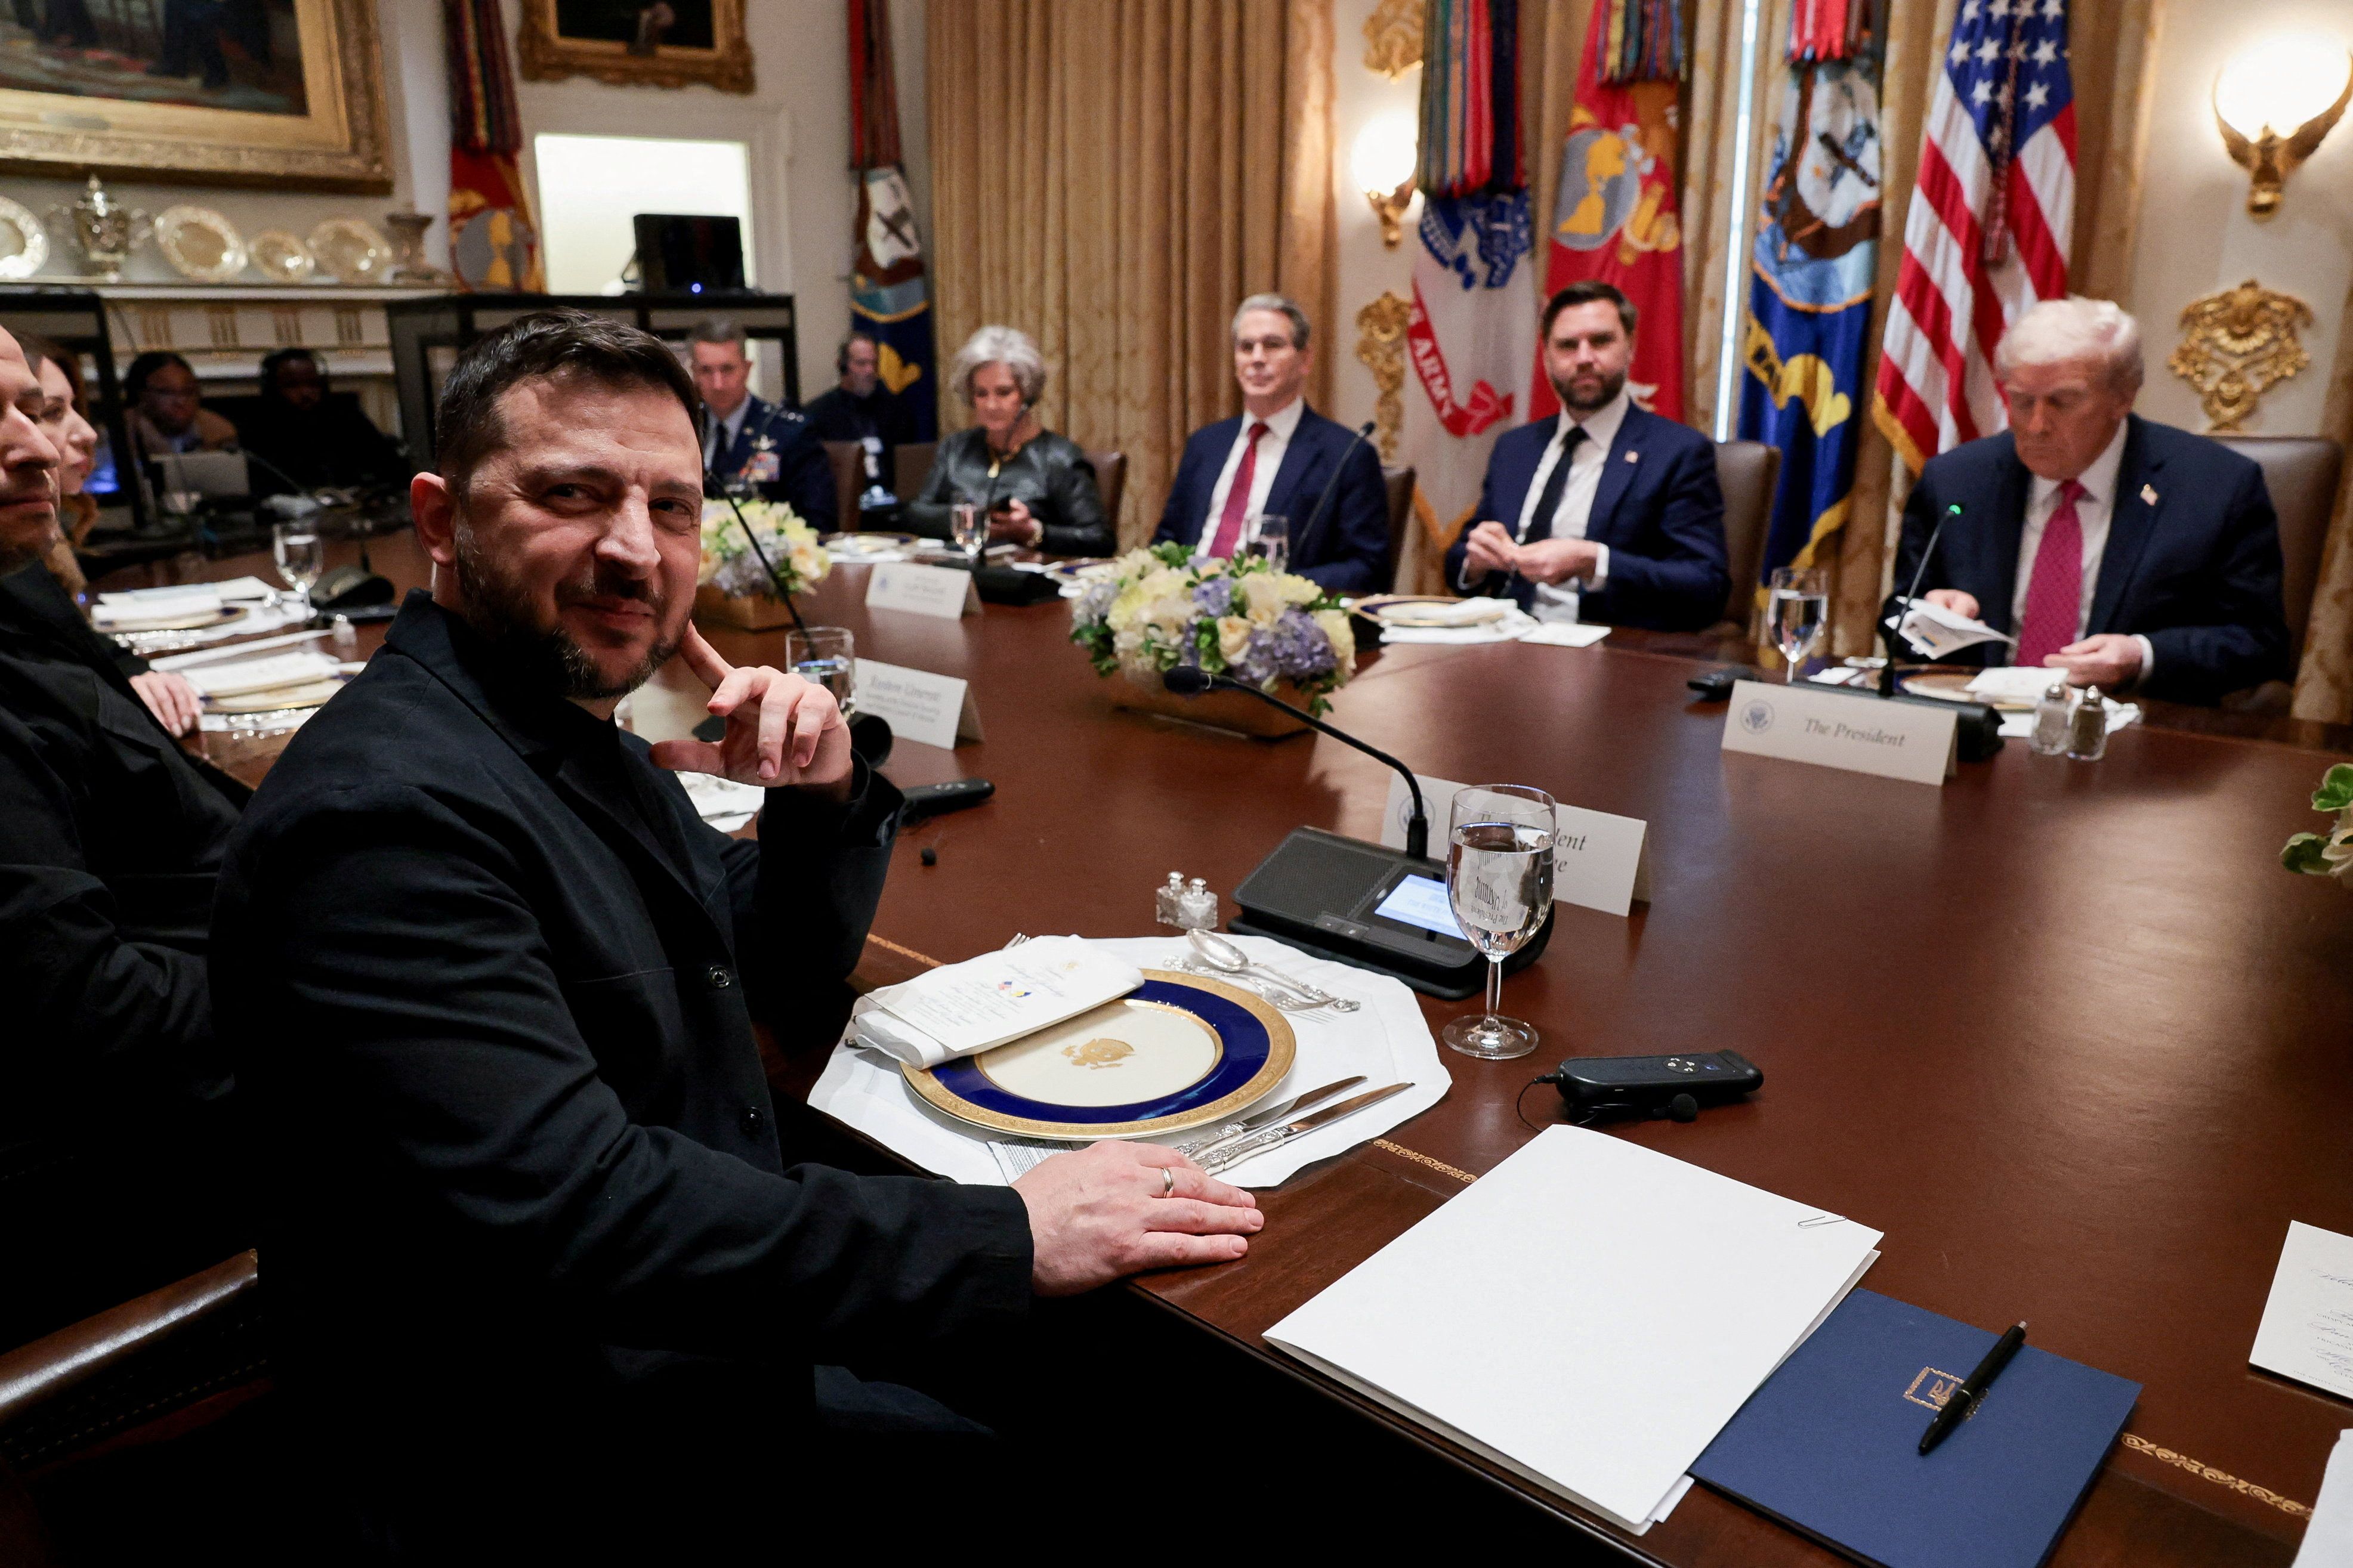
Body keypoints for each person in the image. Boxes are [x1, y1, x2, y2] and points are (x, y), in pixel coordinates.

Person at [210, 310, 1262, 1554]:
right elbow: (587, 1212)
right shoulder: (384, 818)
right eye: (571, 494)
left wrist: (815, 803)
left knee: (1134, 1406)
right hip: (551, 1456)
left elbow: (757, 958)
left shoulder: (541, 721)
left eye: (671, 507)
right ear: (441, 521)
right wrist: (1013, 1231)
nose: (634, 550)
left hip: (686, 1345)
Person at [0, 325, 247, 1350]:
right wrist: (332, 972)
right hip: (150, 1191)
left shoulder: (15, 599)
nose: (39, 445)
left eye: (32, 406)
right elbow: (85, 1007)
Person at [1886, 298, 2290, 706]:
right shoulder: (1956, 480)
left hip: (2132, 735)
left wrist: (2141, 656)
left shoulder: (2215, 488)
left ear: (2123, 398)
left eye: (2062, 402)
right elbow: (1896, 620)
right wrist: (1930, 619)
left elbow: (2259, 642)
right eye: (2022, 401)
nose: (2036, 425)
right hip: (1976, 723)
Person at [1445, 282, 1730, 631]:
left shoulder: (1677, 452)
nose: (1583, 358)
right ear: (1547, 356)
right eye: (1567, 345)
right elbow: (1459, 561)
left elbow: (1706, 585)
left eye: (1600, 341)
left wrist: (1594, 561)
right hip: (1505, 642)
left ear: (1630, 349)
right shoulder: (1514, 448)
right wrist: (1475, 562)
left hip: (1608, 651)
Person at [1155, 293, 1389, 593]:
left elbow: (1368, 567)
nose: (1257, 359)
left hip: (1275, 622)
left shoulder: (1346, 455)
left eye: (1273, 345)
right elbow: (1167, 541)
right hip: (1185, 611)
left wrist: (1276, 590)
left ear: (1306, 360)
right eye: (1246, 347)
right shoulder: (1206, 444)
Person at [904, 325, 1112, 556]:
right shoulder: (956, 448)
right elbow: (916, 514)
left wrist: (1033, 531)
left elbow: (1099, 539)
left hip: (1029, 583)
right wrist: (974, 518)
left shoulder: (1060, 457)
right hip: (960, 576)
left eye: (1004, 393)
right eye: (981, 394)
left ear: (1027, 395)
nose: (991, 405)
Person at [688, 317, 834, 528]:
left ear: (747, 369)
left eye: (727, 369)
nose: (718, 384)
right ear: (693, 372)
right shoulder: (687, 430)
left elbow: (818, 520)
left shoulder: (788, 432)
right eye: (706, 371)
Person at [237, 347, 404, 494]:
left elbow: (389, 469)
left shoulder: (347, 418)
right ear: (272, 389)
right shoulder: (257, 429)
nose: (306, 393)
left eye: (313, 384)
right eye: (292, 385)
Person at [801, 329, 918, 463]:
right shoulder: (817, 413)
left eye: (874, 363)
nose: (870, 371)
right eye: (862, 363)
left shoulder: (897, 411)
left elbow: (908, 462)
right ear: (842, 366)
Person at [125, 349, 239, 462]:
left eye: (189, 392)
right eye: (167, 392)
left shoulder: (221, 433)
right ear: (141, 396)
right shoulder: (121, 434)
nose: (181, 402)